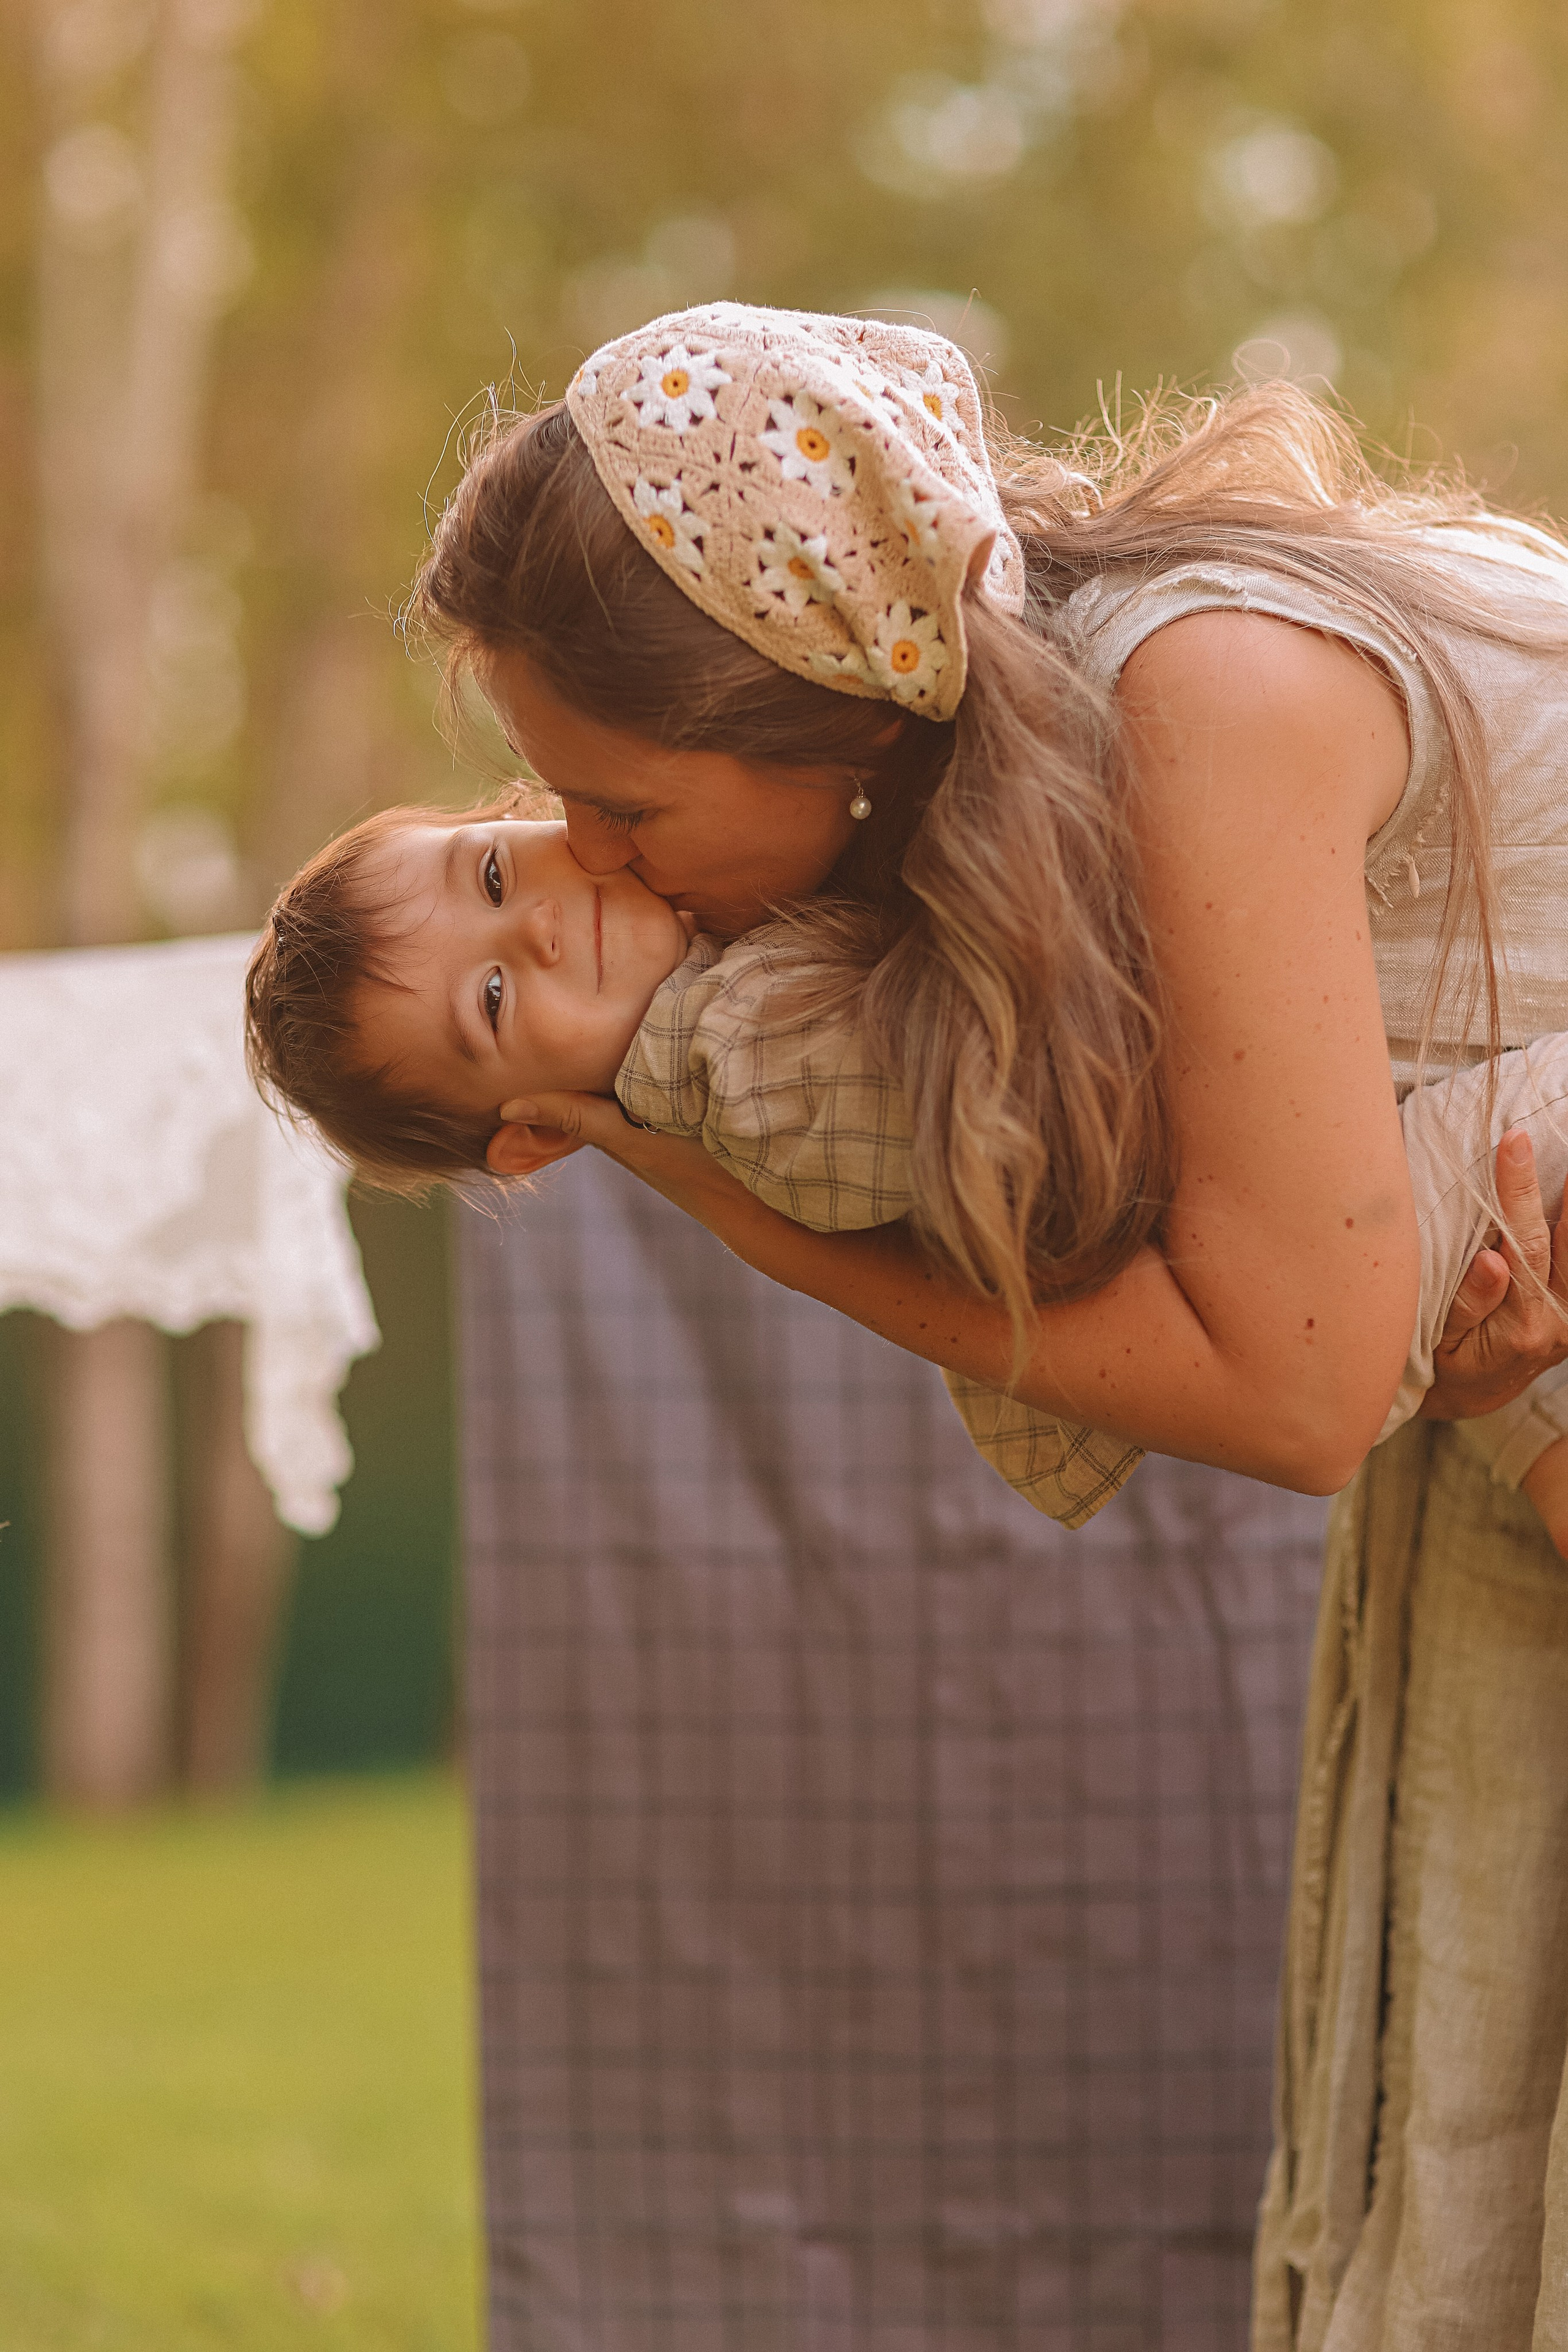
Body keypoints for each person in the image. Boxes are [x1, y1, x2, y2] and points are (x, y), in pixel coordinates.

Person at [371, 302, 1568, 2342]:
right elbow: (1335, 1289)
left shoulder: (1204, 693)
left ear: (823, 706)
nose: (588, 866)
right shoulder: (1049, 757)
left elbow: (1287, 1389)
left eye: (619, 810)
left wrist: (725, 1203)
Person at [246, 800, 1568, 1551]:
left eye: (488, 868)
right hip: (1274, 1236)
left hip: (1315, 1169)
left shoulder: (724, 948)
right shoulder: (752, 1068)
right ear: (530, 1133)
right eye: (491, 996)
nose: (532, 922)